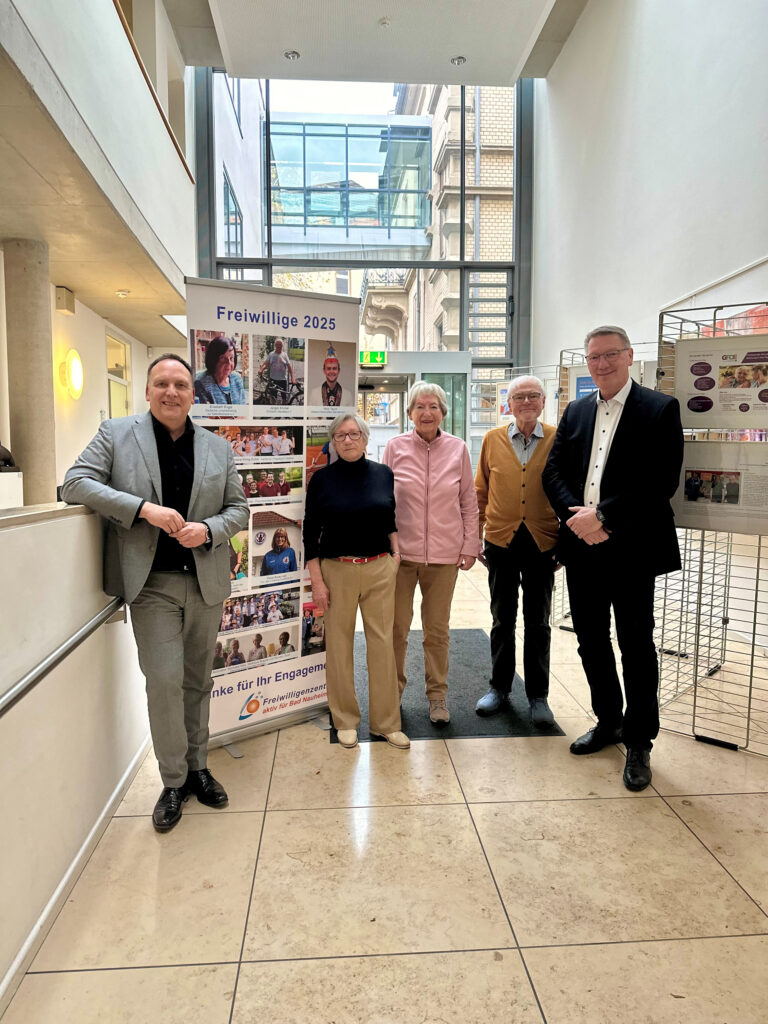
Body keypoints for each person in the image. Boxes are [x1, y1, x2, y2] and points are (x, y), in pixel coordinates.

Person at [61, 353, 249, 832]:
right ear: (147, 392)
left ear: (193, 394)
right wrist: (143, 508)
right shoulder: (117, 435)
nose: (172, 392)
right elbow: (74, 483)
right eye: (162, 383)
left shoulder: (217, 448)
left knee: (198, 681)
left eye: (181, 385)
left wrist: (207, 529)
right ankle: (173, 779)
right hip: (151, 585)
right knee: (164, 682)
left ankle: (199, 767)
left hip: (205, 581)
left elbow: (239, 510)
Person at [542, 325, 683, 791]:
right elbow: (554, 470)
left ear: (628, 357)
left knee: (636, 645)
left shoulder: (658, 409)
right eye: (594, 357)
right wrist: (578, 518)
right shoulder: (577, 410)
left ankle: (640, 740)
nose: (601, 364)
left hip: (632, 549)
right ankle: (609, 721)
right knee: (589, 639)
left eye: (609, 355)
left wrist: (603, 516)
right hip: (582, 549)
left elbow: (660, 482)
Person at [304, 413, 409, 750]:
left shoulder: (383, 474)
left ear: (365, 438)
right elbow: (310, 534)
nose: (347, 440)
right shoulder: (321, 481)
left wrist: (395, 555)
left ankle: (387, 723)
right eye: (340, 436)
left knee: (382, 645)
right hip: (337, 570)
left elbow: (389, 516)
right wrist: (317, 581)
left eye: (353, 434)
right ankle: (345, 720)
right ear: (333, 442)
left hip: (380, 567)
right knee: (339, 646)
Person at [382, 382, 480, 724]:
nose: (427, 413)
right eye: (420, 407)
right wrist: (386, 545)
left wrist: (470, 544)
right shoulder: (394, 448)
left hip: (444, 557)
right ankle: (391, 694)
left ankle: (437, 696)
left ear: (443, 413)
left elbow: (469, 501)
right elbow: (385, 503)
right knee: (396, 629)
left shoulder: (458, 449)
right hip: (401, 557)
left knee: (437, 631)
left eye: (433, 407)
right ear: (409, 413)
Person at [474, 375, 560, 727]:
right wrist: (477, 535)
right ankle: (499, 688)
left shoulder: (558, 439)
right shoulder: (492, 440)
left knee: (538, 621)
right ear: (507, 404)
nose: (526, 402)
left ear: (543, 401)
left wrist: (564, 544)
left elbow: (568, 492)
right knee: (502, 618)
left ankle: (538, 696)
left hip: (542, 541)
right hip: (501, 541)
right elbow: (481, 491)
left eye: (532, 396)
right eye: (518, 397)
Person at [194, 337, 246, 405]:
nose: (229, 363)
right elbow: (206, 414)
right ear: (213, 360)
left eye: (231, 358)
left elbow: (243, 410)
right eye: (223, 358)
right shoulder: (201, 383)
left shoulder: (237, 379)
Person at [258, 338, 296, 402]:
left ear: (282, 346)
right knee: (273, 398)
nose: (279, 346)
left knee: (284, 398)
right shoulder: (271, 354)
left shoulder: (285, 355)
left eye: (280, 345)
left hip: (282, 380)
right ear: (275, 345)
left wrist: (293, 378)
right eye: (277, 344)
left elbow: (289, 367)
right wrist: (261, 369)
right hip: (273, 380)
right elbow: (265, 364)